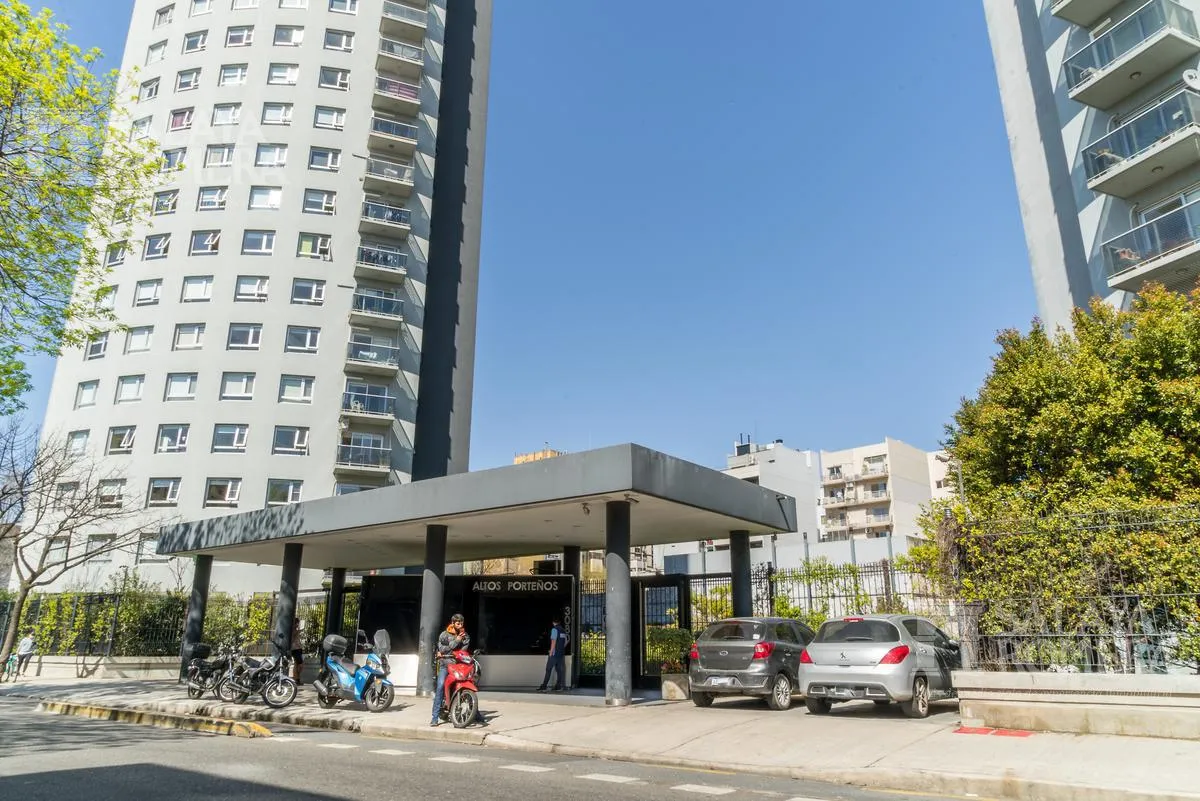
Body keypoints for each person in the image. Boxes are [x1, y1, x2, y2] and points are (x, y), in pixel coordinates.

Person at [430, 613, 485, 727]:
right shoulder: (444, 634)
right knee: (440, 686)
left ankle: (475, 713)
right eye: (458, 622)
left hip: (459, 664)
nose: (460, 624)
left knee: (468, 682)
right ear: (453, 623)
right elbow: (442, 649)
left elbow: (462, 651)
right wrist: (457, 641)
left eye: (461, 622)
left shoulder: (466, 636)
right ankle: (434, 717)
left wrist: (452, 648)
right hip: (445, 665)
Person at [536, 617, 568, 693]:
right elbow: (566, 642)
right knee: (559, 670)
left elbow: (553, 641)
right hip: (561, 654)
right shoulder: (563, 630)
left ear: (553, 622)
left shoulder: (554, 629)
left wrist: (551, 651)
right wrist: (560, 648)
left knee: (548, 669)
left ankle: (544, 687)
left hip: (554, 654)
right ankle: (558, 686)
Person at [289, 616, 304, 684]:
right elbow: (292, 639)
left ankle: (297, 679)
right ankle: (296, 678)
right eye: (296, 623)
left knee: (297, 664)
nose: (297, 624)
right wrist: (297, 632)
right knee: (300, 665)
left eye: (298, 623)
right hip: (295, 649)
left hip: (298, 648)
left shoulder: (296, 630)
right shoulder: (293, 631)